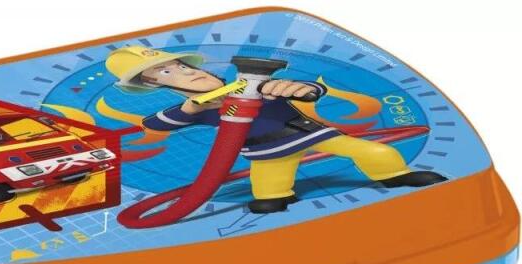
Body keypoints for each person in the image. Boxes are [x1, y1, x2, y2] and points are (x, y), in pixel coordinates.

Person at [105, 46, 446, 213]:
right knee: (269, 192)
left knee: (376, 151)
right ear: (152, 84)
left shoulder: (254, 84)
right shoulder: (197, 107)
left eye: (180, 65)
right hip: (264, 150)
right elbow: (154, 124)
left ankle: (395, 175)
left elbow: (311, 89)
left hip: (308, 132)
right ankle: (277, 197)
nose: (187, 72)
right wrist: (191, 108)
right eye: (166, 73)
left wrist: (296, 89)